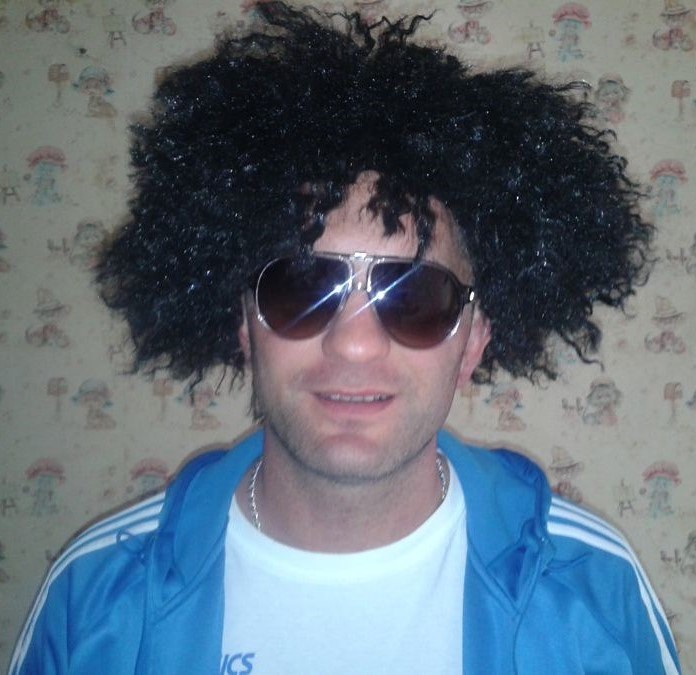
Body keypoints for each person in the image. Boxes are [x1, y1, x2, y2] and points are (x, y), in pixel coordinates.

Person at [10, 3, 681, 674]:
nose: (354, 345)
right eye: (303, 286)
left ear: (472, 340)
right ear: (245, 324)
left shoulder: (595, 593)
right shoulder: (93, 604)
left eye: (414, 296)